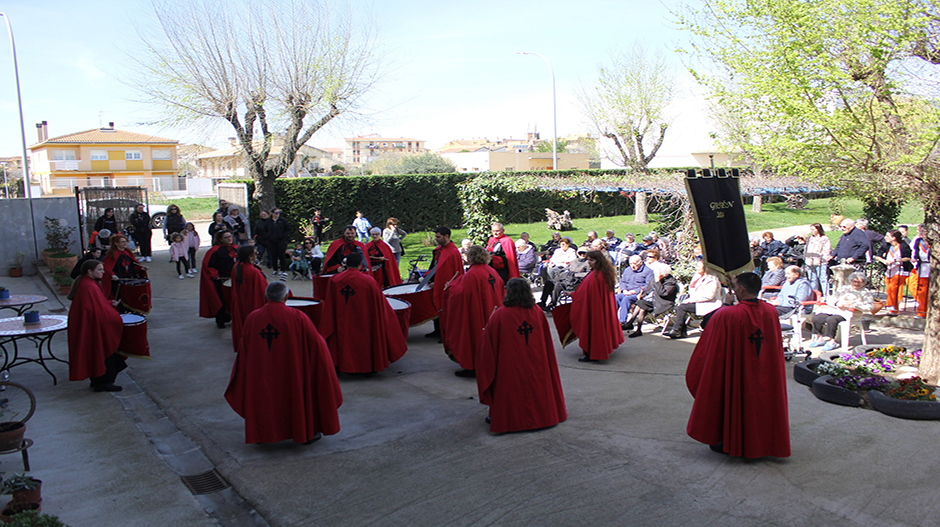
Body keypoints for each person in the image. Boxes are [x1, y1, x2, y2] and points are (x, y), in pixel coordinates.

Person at [685, 272, 790, 458]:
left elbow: (707, 327)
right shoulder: (771, 311)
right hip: (764, 368)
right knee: (761, 402)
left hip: (737, 369)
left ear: (741, 289)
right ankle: (761, 443)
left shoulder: (728, 314)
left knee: (734, 398)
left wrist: (726, 303)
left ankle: (731, 440)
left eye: (734, 286)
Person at [224, 281, 342, 445]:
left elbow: (245, 349)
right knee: (294, 397)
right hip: (291, 370)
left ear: (266, 296)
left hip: (262, 370)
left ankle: (263, 433)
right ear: (287, 297)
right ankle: (302, 432)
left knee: (264, 396)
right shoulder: (298, 317)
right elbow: (317, 344)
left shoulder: (253, 318)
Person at [476, 278, 567, 433]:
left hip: (510, 363)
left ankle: (510, 420)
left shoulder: (500, 315)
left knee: (512, 386)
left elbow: (487, 347)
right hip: (536, 361)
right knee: (536, 383)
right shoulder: (537, 312)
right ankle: (543, 416)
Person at [318, 252, 407, 374]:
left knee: (342, 340)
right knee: (364, 341)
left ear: (346, 264)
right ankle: (367, 367)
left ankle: (341, 365)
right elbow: (380, 304)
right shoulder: (369, 281)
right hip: (365, 320)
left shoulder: (335, 280)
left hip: (342, 320)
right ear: (360, 264)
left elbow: (329, 306)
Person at [441, 246, 504, 378]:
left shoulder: (472, 274)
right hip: (493, 311)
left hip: (478, 313)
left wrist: (449, 289)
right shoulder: (491, 270)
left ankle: (474, 366)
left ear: (471, 257)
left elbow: (461, 294)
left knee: (475, 338)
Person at [67, 259, 127, 392]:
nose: (103, 272)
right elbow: (96, 310)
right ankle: (102, 381)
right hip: (94, 328)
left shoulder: (88, 283)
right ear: (89, 271)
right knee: (104, 354)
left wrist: (110, 304)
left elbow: (97, 305)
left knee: (99, 354)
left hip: (92, 326)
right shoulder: (88, 286)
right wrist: (115, 318)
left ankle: (99, 380)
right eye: (99, 270)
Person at [570, 250, 623, 362]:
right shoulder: (602, 273)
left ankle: (593, 352)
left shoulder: (597, 276)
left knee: (594, 328)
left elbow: (585, 294)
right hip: (598, 307)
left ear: (599, 261)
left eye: (592, 260)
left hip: (594, 309)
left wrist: (573, 294)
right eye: (588, 260)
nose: (589, 262)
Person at [808, 272, 874, 352]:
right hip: (836, 310)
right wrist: (837, 303)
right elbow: (833, 298)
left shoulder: (865, 292)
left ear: (864, 282)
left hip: (850, 314)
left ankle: (831, 341)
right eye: (854, 281)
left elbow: (870, 307)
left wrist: (854, 305)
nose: (856, 284)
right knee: (817, 317)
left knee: (832, 319)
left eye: (859, 282)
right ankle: (820, 337)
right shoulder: (845, 288)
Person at [666, 261, 722, 339]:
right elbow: (692, 291)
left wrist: (691, 300)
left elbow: (709, 296)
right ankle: (681, 331)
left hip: (709, 304)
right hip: (698, 302)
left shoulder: (712, 279)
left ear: (705, 268)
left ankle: (676, 330)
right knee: (680, 307)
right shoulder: (698, 276)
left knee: (682, 308)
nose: (697, 268)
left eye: (699, 266)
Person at [426, 227, 464, 339]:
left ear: (446, 236)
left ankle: (446, 334)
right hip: (436, 283)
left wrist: (439, 283)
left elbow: (453, 272)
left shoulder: (452, 252)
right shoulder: (440, 250)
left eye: (438, 237)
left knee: (446, 310)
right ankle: (437, 331)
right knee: (436, 307)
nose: (436, 239)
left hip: (446, 286)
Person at [624, 262, 678, 338]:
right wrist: (642, 295)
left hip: (663, 302)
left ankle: (634, 326)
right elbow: (648, 290)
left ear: (664, 274)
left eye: (658, 272)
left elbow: (662, 293)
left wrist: (658, 281)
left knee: (642, 308)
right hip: (653, 300)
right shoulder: (655, 279)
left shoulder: (670, 283)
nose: (656, 274)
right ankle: (632, 325)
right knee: (641, 303)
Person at [230, 245, 268, 348]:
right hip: (252, 302)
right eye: (255, 253)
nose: (257, 254)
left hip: (242, 302)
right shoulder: (253, 272)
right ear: (250, 257)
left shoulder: (237, 267)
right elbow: (264, 291)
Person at [200, 231, 239, 328]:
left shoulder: (237, 249)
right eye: (226, 237)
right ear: (220, 239)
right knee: (221, 300)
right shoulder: (214, 250)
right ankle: (221, 320)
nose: (229, 239)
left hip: (235, 279)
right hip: (221, 280)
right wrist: (215, 275)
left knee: (235, 300)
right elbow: (208, 265)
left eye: (230, 236)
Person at [873, 230, 912, 316]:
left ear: (894, 238)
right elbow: (877, 256)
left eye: (888, 236)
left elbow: (908, 258)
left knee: (893, 287)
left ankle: (893, 308)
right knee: (889, 288)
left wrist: (896, 260)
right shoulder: (886, 245)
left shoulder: (903, 246)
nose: (885, 238)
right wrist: (884, 261)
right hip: (889, 269)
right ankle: (892, 306)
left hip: (900, 269)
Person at [101, 233, 149, 302]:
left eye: (126, 241)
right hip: (119, 281)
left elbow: (134, 265)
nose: (125, 243)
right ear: (116, 243)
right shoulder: (112, 255)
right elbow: (107, 268)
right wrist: (112, 275)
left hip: (130, 278)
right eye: (122, 242)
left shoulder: (127, 253)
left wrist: (141, 268)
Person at [537, 236, 577, 310]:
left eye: (564, 244)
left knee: (552, 273)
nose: (562, 246)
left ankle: (552, 303)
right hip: (557, 265)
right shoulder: (558, 250)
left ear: (568, 244)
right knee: (546, 274)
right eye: (561, 244)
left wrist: (561, 261)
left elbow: (571, 260)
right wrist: (551, 263)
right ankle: (543, 301)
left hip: (565, 268)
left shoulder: (571, 251)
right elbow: (553, 259)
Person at [615, 254, 654, 325]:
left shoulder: (648, 271)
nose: (632, 266)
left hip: (639, 294)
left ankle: (622, 321)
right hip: (627, 291)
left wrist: (635, 291)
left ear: (641, 262)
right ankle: (611, 318)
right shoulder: (627, 270)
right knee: (616, 298)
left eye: (635, 263)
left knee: (626, 299)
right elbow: (623, 281)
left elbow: (648, 286)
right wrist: (624, 290)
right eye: (630, 263)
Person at [804, 223, 831, 293]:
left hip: (820, 262)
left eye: (813, 229)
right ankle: (814, 294)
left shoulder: (824, 239)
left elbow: (827, 250)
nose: (811, 231)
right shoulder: (810, 238)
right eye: (811, 229)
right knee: (812, 279)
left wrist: (822, 258)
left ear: (818, 230)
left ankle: (826, 294)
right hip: (810, 262)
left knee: (822, 278)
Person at [911, 224, 930, 319]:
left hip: (932, 267)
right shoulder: (918, 241)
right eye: (919, 231)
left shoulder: (934, 242)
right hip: (922, 267)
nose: (920, 233)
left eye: (922, 231)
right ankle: (922, 311)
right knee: (922, 291)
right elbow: (915, 253)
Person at [266, 208, 291, 278]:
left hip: (281, 241)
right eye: (276, 213)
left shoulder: (283, 221)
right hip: (271, 241)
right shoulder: (268, 222)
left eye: (279, 213)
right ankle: (275, 269)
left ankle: (283, 270)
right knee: (273, 255)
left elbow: (288, 229)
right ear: (272, 213)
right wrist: (268, 236)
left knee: (281, 255)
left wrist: (284, 236)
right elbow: (265, 230)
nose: (277, 214)